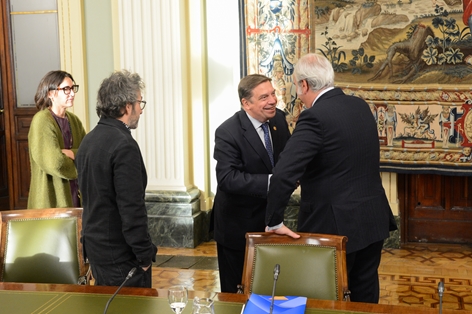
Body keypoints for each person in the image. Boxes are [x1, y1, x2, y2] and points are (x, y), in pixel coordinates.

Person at [264, 53, 397, 303]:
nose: (297, 92)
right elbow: (343, 157)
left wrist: (274, 221)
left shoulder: (314, 116)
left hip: (334, 228)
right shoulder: (360, 106)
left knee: (325, 298)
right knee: (365, 293)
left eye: (296, 85)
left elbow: (283, 173)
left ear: (304, 84)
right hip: (372, 219)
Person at [76, 70, 157, 288]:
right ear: (127, 106)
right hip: (121, 254)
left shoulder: (88, 141)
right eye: (140, 102)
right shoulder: (124, 145)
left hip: (95, 246)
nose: (141, 110)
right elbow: (131, 208)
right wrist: (144, 255)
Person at [212, 74, 291, 292]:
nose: (273, 100)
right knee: (237, 291)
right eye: (264, 97)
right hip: (237, 228)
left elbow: (285, 161)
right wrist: (272, 182)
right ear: (246, 103)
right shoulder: (228, 132)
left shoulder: (279, 121)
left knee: (268, 289)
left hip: (271, 224)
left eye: (273, 93)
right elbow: (228, 179)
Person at [27, 70, 86, 209]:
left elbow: (89, 154)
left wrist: (70, 153)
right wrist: (79, 159)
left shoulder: (74, 121)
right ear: (50, 93)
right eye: (66, 89)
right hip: (50, 201)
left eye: (73, 88)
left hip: (76, 196)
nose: (72, 93)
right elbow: (55, 162)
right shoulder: (42, 120)